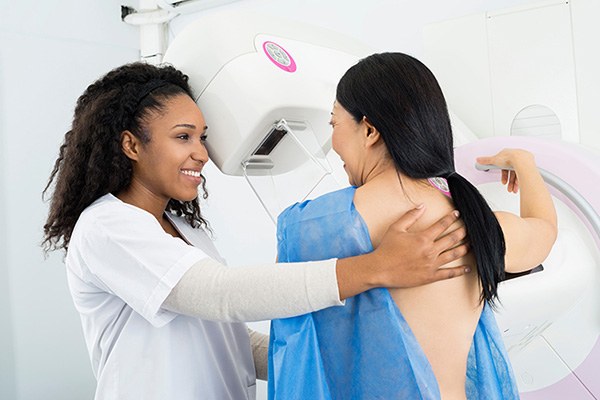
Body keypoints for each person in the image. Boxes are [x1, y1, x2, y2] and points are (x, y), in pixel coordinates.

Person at [41, 61, 471, 400]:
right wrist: (376, 267)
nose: (202, 154)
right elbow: (220, 295)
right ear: (132, 144)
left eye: (203, 137)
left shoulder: (182, 228)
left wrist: (334, 358)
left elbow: (229, 340)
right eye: (183, 137)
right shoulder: (107, 226)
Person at [268, 52, 557, 400]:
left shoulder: (314, 227)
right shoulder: (471, 220)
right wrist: (524, 163)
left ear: (369, 130)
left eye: (334, 124)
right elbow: (543, 231)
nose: (334, 145)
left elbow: (283, 320)